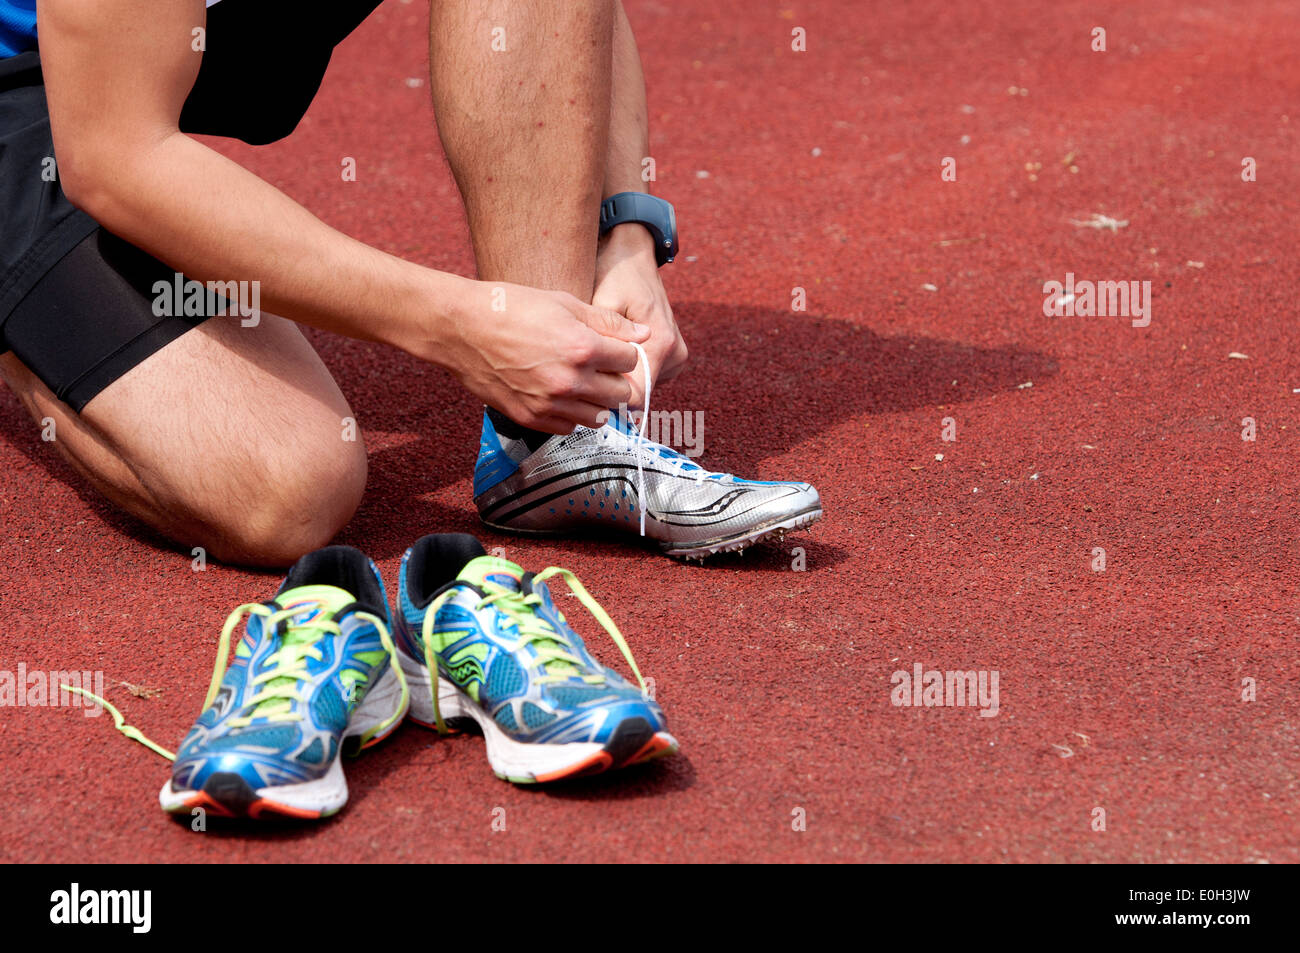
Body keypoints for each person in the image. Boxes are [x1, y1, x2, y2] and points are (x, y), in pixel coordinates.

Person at [0, 0, 820, 567]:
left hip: (185, 32)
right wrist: (460, 325)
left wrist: (622, 234)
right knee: (287, 487)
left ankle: (545, 443)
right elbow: (116, 159)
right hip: (42, 88)